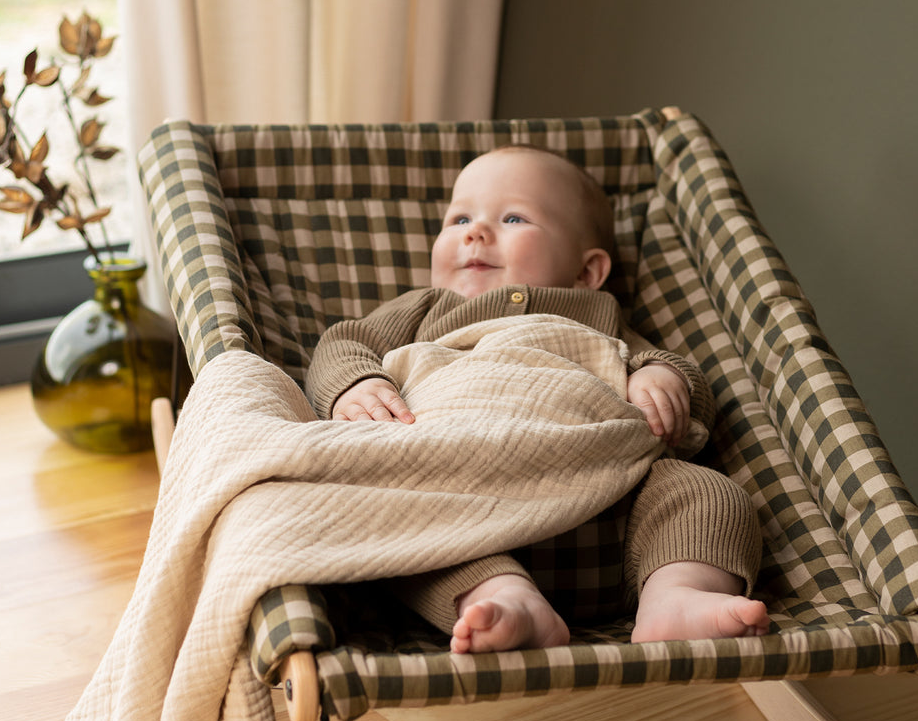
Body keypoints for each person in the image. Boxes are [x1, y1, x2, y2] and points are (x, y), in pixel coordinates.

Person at [306, 145, 769, 653]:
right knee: (398, 519)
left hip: (610, 513)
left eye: (512, 217)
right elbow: (344, 343)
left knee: (706, 493)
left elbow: (682, 385)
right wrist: (355, 384)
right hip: (459, 500)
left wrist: (659, 379)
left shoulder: (596, 316)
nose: (475, 232)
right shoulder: (425, 309)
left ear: (587, 272)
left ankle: (675, 594)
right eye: (459, 218)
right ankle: (505, 597)